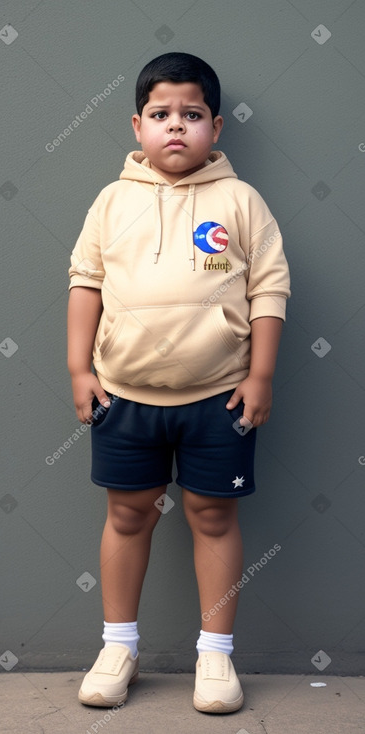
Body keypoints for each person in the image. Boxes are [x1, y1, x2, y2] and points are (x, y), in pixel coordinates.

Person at [67, 51, 290, 714]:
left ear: (214, 128)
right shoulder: (110, 203)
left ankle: (215, 656)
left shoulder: (240, 200)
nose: (175, 126)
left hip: (219, 397)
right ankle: (118, 647)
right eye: (160, 114)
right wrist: (79, 369)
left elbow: (269, 288)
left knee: (214, 518)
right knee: (128, 515)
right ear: (137, 125)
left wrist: (262, 375)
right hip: (124, 397)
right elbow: (86, 283)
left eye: (190, 115)